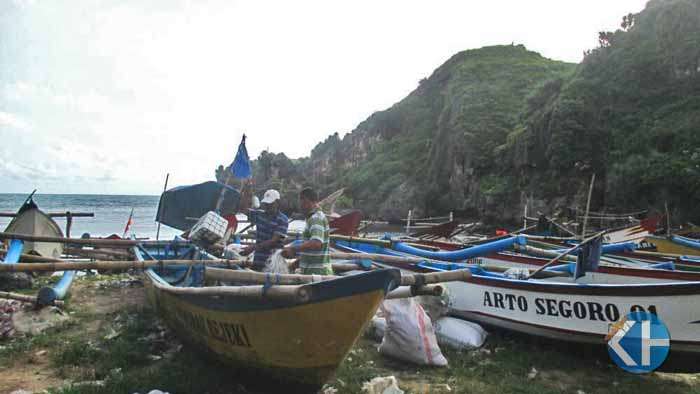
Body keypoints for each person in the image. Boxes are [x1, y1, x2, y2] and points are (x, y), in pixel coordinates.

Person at [282, 187, 333, 275]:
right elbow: (310, 249)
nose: (301, 203)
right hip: (312, 272)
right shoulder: (312, 218)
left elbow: (317, 243)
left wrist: (293, 248)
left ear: (313, 201)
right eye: (300, 200)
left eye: (303, 199)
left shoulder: (316, 218)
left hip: (318, 274)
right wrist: (296, 264)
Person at [240, 189, 289, 270]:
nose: (268, 206)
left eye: (270, 204)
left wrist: (252, 248)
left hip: (273, 263)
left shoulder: (282, 219)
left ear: (277, 203)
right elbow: (242, 209)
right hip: (258, 260)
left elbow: (273, 241)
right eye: (266, 204)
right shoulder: (259, 215)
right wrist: (247, 192)